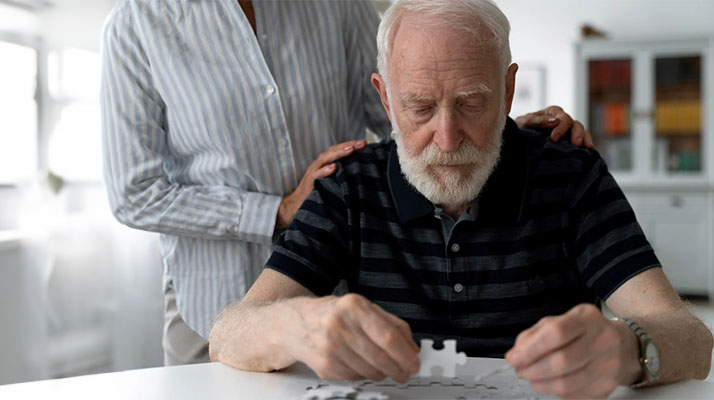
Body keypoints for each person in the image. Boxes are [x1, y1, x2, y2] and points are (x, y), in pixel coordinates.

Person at [208, 0, 713, 398]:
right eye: (420, 108)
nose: (447, 139)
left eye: (472, 104)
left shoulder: (571, 174)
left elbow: (692, 340)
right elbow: (228, 334)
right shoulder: (348, 186)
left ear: (509, 91)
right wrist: (298, 325)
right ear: (385, 98)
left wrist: (628, 348)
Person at [100, 0, 591, 366]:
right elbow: (133, 194)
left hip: (332, 281)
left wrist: (484, 135)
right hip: (209, 292)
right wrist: (277, 210)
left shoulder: (335, 4)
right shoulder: (135, 25)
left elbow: (404, 105)